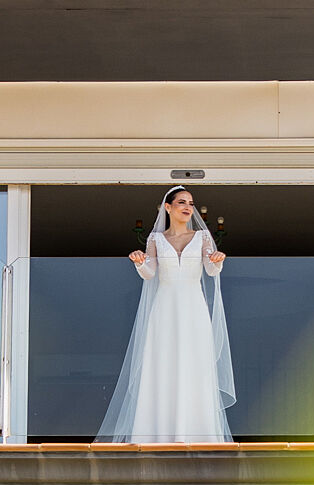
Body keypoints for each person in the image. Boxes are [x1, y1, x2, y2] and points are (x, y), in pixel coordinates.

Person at [95, 185, 235, 443]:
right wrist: (140, 262)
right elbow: (150, 273)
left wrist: (217, 260)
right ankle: (158, 434)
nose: (188, 207)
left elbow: (211, 271)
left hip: (194, 308)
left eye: (191, 203)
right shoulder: (155, 240)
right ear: (167, 207)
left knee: (194, 364)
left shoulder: (202, 237)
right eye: (182, 202)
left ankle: (197, 435)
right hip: (165, 309)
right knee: (163, 365)